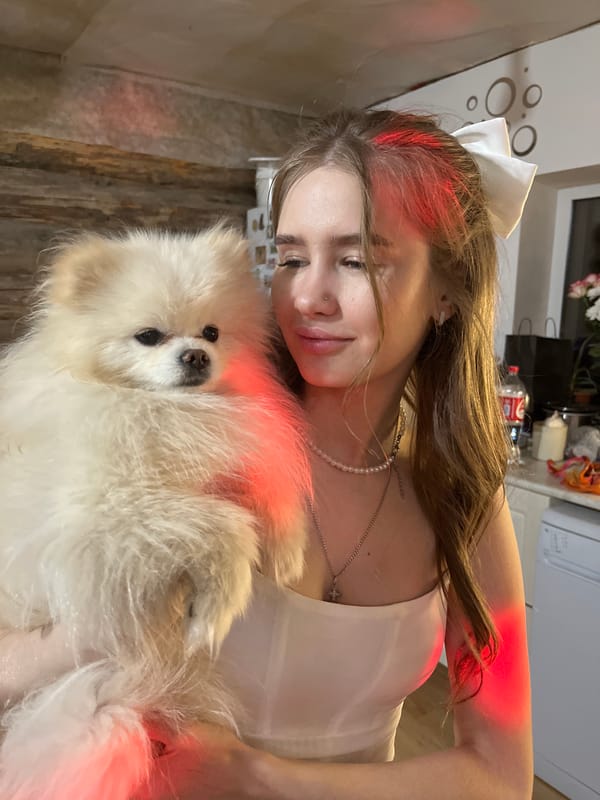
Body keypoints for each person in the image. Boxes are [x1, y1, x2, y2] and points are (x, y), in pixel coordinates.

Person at [0, 108, 537, 800]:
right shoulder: (180, 437)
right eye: (288, 259)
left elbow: (501, 774)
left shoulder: (465, 497)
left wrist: (257, 776)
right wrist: (106, 617)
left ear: (444, 292)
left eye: (357, 261)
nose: (308, 296)